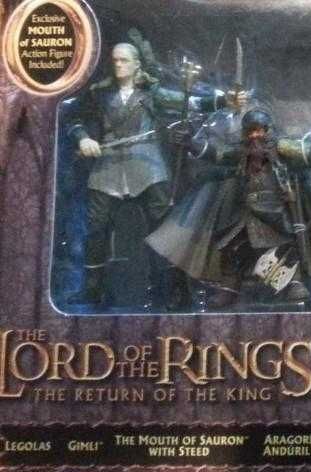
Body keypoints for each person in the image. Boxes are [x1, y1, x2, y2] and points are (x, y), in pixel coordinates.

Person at [147, 109, 311, 307]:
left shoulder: (284, 148)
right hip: (245, 210)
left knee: (286, 245)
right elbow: (217, 154)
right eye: (251, 132)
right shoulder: (242, 153)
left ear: (269, 131)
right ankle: (230, 286)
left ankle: (293, 282)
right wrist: (191, 142)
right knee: (233, 246)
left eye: (260, 131)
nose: (255, 137)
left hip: (278, 210)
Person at [66, 42, 237, 309]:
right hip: (108, 166)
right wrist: (83, 138)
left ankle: (173, 289)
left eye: (124, 60)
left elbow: (188, 102)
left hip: (147, 168)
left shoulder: (152, 93)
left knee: (162, 228)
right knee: (96, 227)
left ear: (137, 64)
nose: (118, 64)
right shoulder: (98, 93)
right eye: (115, 60)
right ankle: (92, 288)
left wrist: (224, 100)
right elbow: (73, 118)